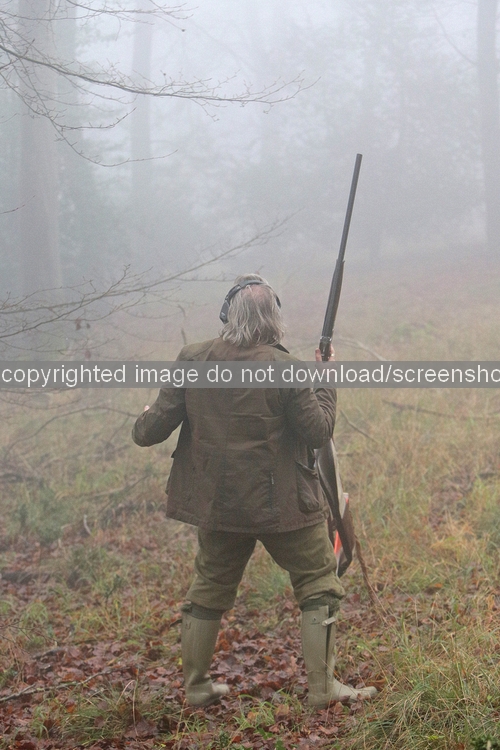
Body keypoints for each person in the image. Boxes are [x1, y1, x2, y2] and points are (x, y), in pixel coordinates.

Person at [132, 273, 377, 708]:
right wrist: (326, 379)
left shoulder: (193, 359)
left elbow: (149, 432)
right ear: (274, 320)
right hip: (282, 506)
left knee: (209, 586)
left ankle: (196, 687)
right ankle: (322, 689)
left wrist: (146, 414)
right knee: (319, 583)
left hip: (218, 504)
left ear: (228, 314)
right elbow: (318, 431)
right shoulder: (287, 370)